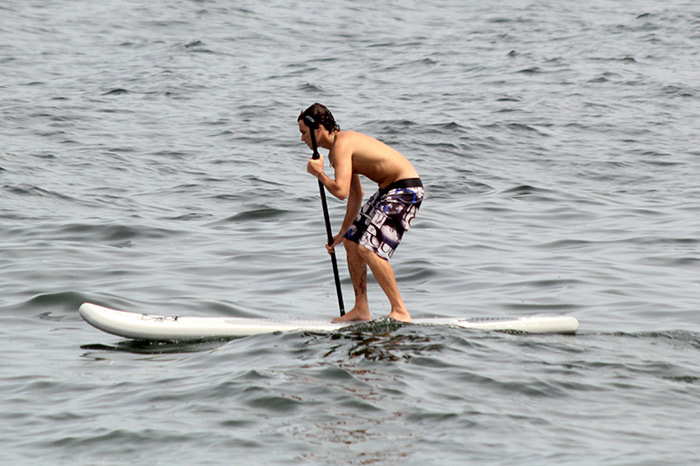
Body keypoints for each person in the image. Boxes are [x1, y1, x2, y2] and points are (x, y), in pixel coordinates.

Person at [298, 103, 424, 323]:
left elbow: (340, 191)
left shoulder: (342, 145)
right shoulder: (338, 150)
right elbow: (356, 194)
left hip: (406, 189)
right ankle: (361, 308)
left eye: (303, 132)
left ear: (317, 128)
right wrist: (343, 231)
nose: (302, 139)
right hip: (388, 189)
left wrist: (320, 174)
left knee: (368, 248)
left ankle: (400, 310)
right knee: (351, 242)